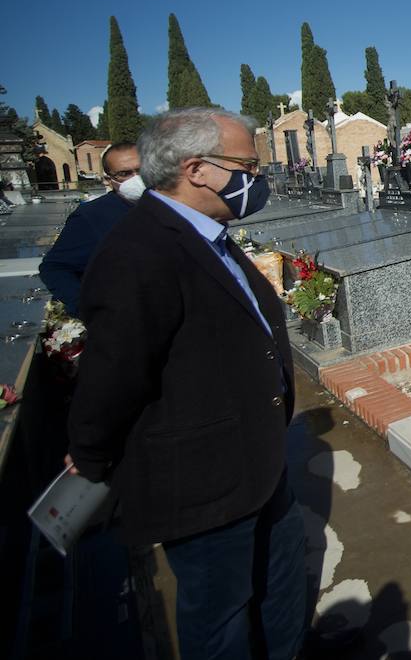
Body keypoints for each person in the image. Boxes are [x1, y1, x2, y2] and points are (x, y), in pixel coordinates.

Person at [67, 109, 305, 660]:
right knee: (221, 617)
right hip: (204, 481)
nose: (258, 176)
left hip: (258, 462)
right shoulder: (138, 252)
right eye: (247, 164)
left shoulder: (202, 235)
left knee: (280, 588)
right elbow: (113, 374)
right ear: (197, 169)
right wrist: (91, 453)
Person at [38, 142, 143, 315]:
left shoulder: (172, 205)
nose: (137, 178)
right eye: (125, 173)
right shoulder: (92, 216)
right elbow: (55, 268)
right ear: (109, 179)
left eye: (141, 170)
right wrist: (89, 310)